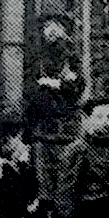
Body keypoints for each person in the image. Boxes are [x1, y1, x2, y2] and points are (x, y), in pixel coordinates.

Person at [24, 15, 85, 195]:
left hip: (67, 124)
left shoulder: (71, 57)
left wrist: (55, 84)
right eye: (48, 26)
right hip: (42, 126)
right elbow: (30, 86)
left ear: (64, 32)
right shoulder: (37, 57)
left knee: (68, 175)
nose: (52, 30)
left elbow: (78, 86)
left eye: (57, 27)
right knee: (44, 177)